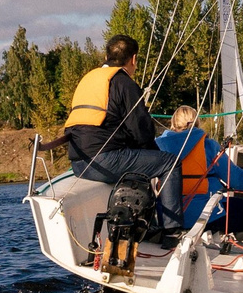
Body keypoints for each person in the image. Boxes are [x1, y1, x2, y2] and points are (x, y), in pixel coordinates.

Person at [62, 36, 173, 191]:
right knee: (170, 163)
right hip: (104, 162)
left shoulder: (87, 79)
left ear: (106, 57)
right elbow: (142, 132)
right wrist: (155, 157)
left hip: (78, 164)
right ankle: (170, 216)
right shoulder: (125, 83)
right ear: (133, 59)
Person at [155, 104, 243, 235]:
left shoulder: (158, 146)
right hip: (208, 215)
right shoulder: (208, 146)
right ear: (197, 121)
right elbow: (235, 178)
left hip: (167, 219)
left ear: (173, 123)